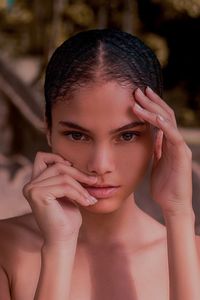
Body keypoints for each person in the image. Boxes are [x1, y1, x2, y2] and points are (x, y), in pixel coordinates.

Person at [0, 28, 200, 300]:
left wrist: (179, 213)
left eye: (127, 135)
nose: (100, 165)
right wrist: (59, 248)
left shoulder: (192, 254)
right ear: (48, 130)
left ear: (158, 133)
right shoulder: (5, 250)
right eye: (77, 135)